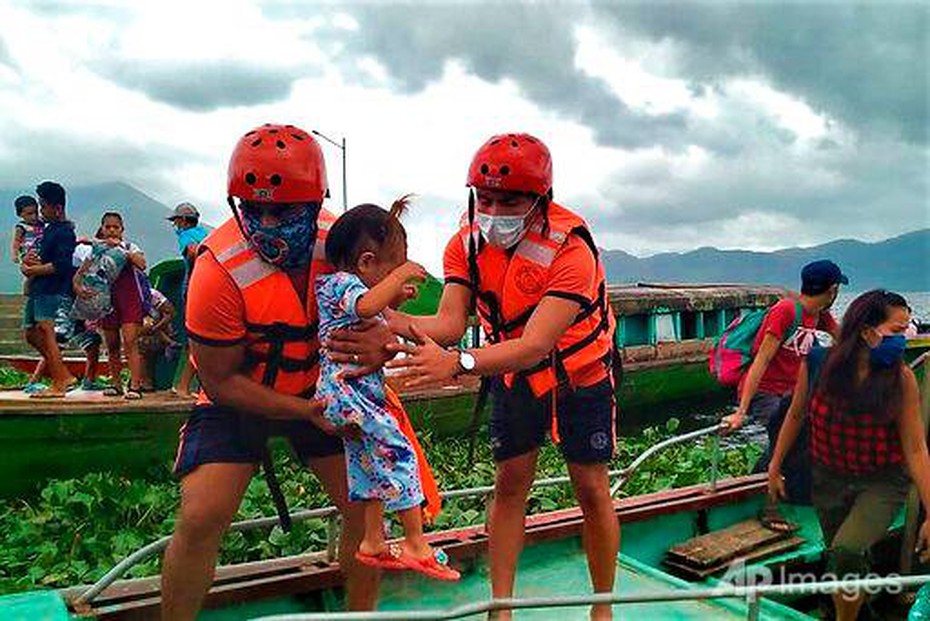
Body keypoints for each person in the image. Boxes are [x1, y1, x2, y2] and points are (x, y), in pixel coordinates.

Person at [161, 123, 391, 620]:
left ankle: (361, 614)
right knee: (202, 515)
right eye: (253, 208)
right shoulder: (216, 269)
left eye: (282, 210)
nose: (266, 220)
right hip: (241, 397)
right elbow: (220, 380)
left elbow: (385, 314)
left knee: (366, 510)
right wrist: (303, 411)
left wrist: (379, 343)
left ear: (313, 205)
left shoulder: (345, 246)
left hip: (329, 389)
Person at [385, 133, 620, 619]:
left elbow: (535, 344)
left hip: (580, 376)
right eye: (485, 199)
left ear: (540, 200)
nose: (494, 211)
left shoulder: (572, 251)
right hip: (515, 381)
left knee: (591, 488)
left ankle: (603, 608)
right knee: (511, 483)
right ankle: (502, 607)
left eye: (509, 200)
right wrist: (384, 322)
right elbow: (450, 324)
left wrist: (460, 363)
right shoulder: (464, 245)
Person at [766, 290, 930, 621]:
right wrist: (774, 465)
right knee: (842, 561)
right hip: (828, 478)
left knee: (847, 551)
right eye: (896, 331)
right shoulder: (816, 365)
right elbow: (796, 415)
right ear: (867, 331)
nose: (903, 340)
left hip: (881, 483)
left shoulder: (901, 380)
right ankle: (862, 612)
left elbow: (915, 448)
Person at [317, 198, 456, 581]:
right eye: (394, 266)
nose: (401, 274)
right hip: (350, 394)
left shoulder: (347, 287)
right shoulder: (341, 284)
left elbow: (375, 305)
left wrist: (396, 293)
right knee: (398, 452)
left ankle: (373, 540)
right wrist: (400, 277)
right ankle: (415, 542)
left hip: (349, 395)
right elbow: (364, 306)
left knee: (366, 465)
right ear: (365, 263)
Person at [723, 260, 844, 520]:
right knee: (786, 437)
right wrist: (741, 411)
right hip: (764, 391)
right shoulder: (786, 310)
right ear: (832, 290)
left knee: (799, 435)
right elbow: (762, 360)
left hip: (790, 393)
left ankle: (757, 480)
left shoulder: (820, 315)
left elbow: (844, 340)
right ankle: (766, 499)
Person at [80, 212, 147, 400]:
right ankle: (115, 383)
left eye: (115, 227)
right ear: (102, 228)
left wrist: (122, 250)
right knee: (112, 344)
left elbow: (142, 264)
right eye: (107, 227)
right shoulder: (96, 249)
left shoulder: (130, 247)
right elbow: (84, 270)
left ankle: (135, 385)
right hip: (108, 300)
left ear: (122, 230)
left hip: (129, 298)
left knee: (130, 341)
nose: (111, 230)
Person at [20, 181, 77, 398]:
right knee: (31, 334)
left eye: (44, 207)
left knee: (46, 332)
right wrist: (28, 265)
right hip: (38, 289)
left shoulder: (64, 232)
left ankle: (59, 382)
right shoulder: (48, 230)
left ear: (58, 208)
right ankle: (61, 372)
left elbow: (62, 265)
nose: (41, 211)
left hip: (52, 290)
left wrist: (34, 270)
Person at [167, 201, 207, 396]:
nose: (176, 226)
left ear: (183, 221)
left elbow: (192, 251)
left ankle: (182, 385)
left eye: (176, 221)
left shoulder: (186, 235)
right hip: (208, 288)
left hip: (193, 288)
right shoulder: (207, 233)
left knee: (193, 339)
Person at [138, 288, 179, 392]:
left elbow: (170, 312)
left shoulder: (152, 294)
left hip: (156, 331)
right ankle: (145, 381)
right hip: (151, 331)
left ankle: (146, 382)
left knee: (143, 343)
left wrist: (156, 328)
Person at [10, 195, 44, 268]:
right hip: (28, 254)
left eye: (36, 212)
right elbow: (16, 241)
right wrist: (15, 254)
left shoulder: (42, 221)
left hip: (40, 251)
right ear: (19, 214)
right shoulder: (21, 227)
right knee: (31, 270)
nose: (34, 217)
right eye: (29, 214)